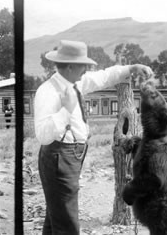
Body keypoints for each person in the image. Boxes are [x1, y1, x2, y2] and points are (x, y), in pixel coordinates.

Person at [34, 40, 153, 235]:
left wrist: (131, 68)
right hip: (59, 156)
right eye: (83, 66)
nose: (86, 70)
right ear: (71, 66)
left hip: (68, 156)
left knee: (56, 216)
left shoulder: (74, 82)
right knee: (67, 224)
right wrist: (66, 110)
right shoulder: (47, 92)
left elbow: (102, 77)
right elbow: (43, 135)